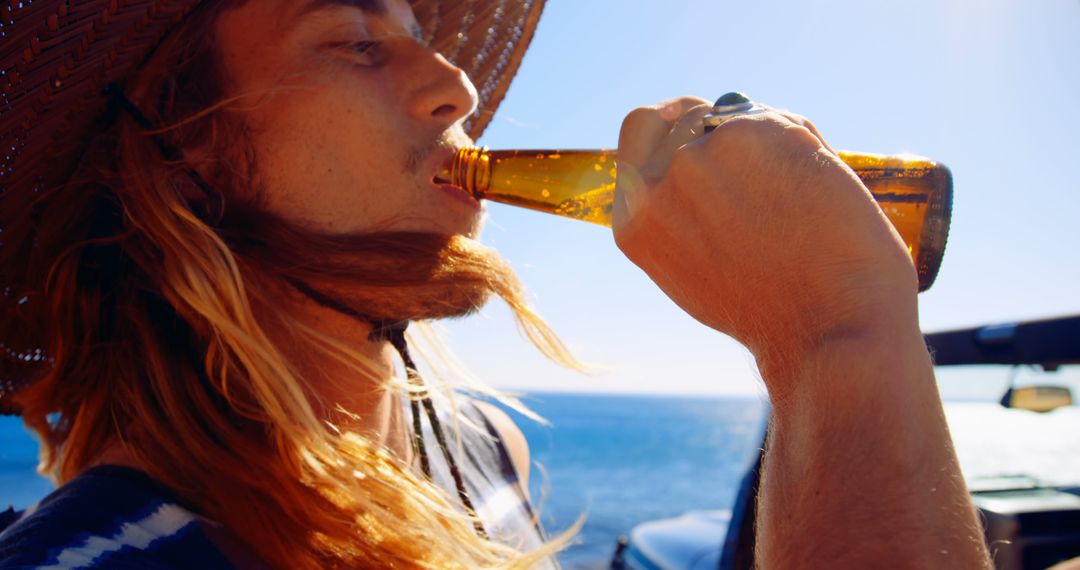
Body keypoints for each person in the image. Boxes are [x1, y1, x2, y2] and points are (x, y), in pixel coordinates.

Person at [0, 0, 992, 568]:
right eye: (354, 39)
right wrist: (834, 336)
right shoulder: (100, 560)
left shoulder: (481, 452)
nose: (456, 84)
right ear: (188, 151)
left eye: (418, 27)